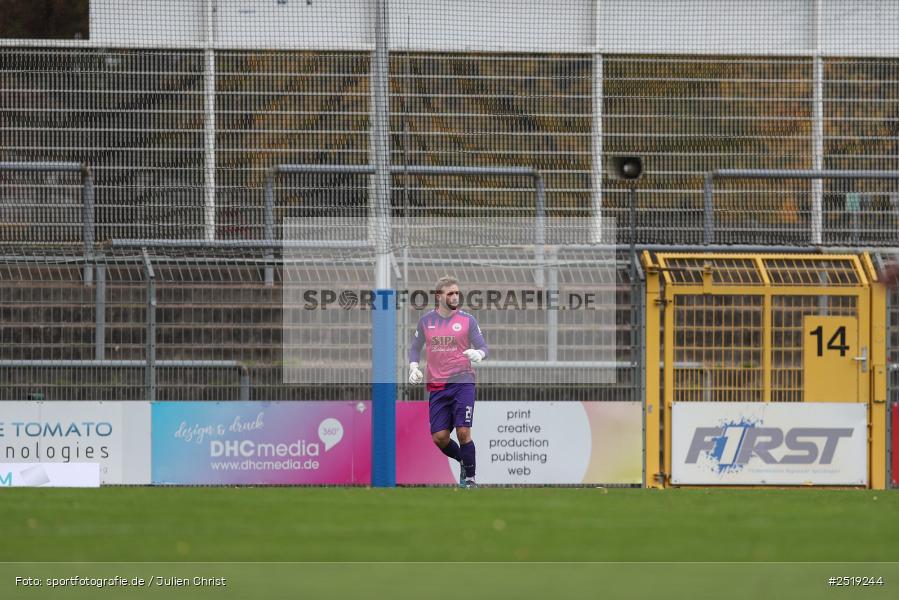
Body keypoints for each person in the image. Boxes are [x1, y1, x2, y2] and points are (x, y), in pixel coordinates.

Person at [408, 276, 488, 488]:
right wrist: (413, 366)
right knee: (440, 437)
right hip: (438, 385)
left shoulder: (468, 320)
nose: (454, 296)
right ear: (438, 296)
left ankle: (470, 480)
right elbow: (415, 347)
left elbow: (484, 347)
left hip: (463, 381)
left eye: (457, 293)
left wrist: (479, 354)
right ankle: (464, 460)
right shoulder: (426, 321)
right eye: (450, 293)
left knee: (463, 431)